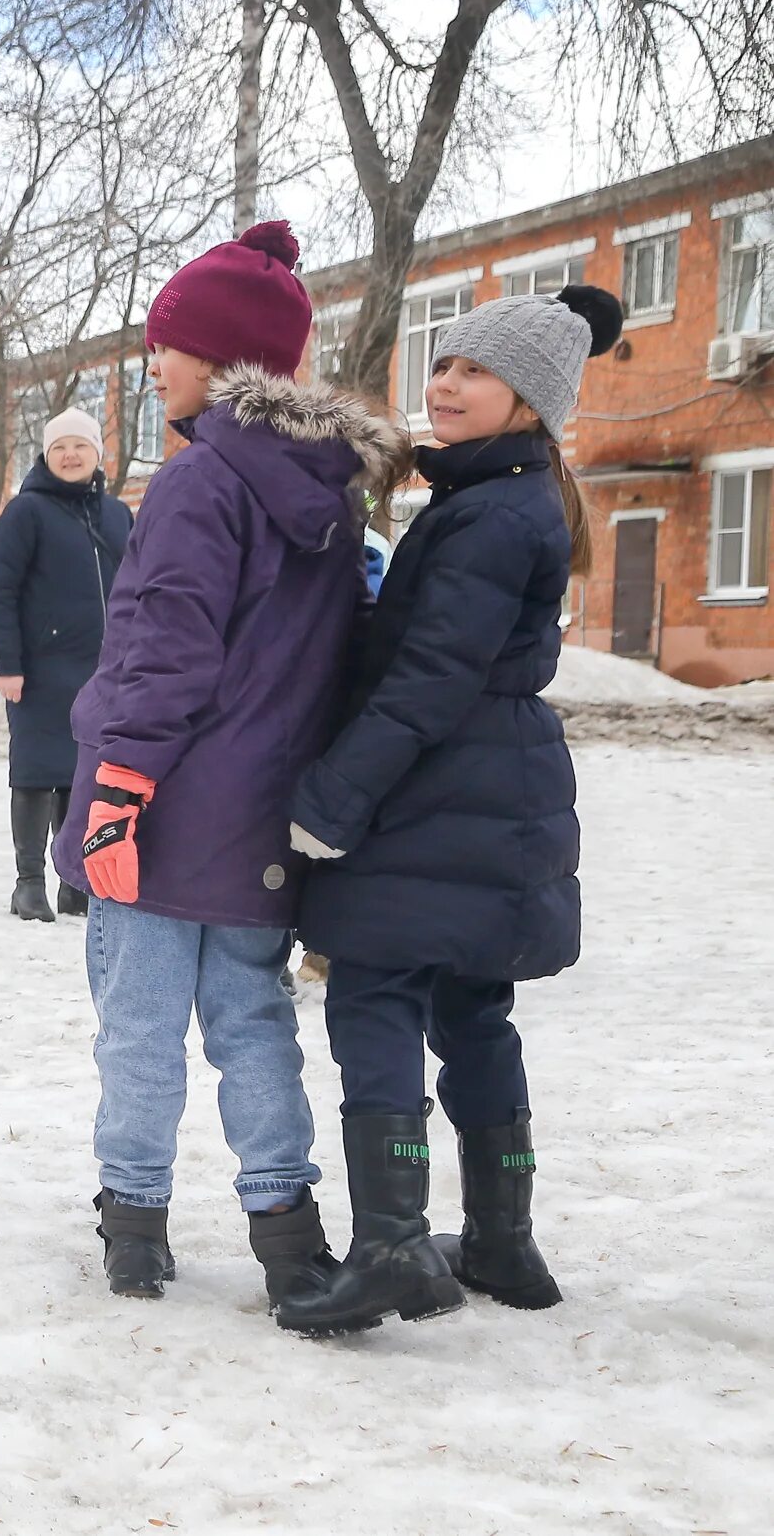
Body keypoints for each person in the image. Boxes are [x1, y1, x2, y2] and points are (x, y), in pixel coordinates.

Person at [52, 221, 408, 1308]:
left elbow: (162, 647)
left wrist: (115, 792)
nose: (152, 365)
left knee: (143, 1029)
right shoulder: (329, 498)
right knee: (253, 1027)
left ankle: (136, 1222)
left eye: (164, 346)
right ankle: (285, 1229)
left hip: (157, 818)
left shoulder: (199, 484)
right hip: (257, 823)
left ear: (215, 359)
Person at [273, 287, 614, 1336]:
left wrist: (333, 797)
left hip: (441, 789)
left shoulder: (488, 516)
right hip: (494, 787)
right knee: (471, 1007)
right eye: (443, 363)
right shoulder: (502, 501)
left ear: (529, 400)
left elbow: (427, 678)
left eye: (474, 371)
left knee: (374, 991)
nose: (445, 383)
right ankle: (501, 1242)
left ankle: (388, 1245)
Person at [0, 409, 134, 922]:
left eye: (80, 446)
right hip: (39, 669)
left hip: (103, 671)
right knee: (33, 773)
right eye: (59, 447)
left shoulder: (117, 516)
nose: (70, 455)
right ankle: (29, 884)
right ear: (47, 456)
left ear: (97, 454)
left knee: (83, 774)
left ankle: (76, 882)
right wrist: (8, 661)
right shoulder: (26, 513)